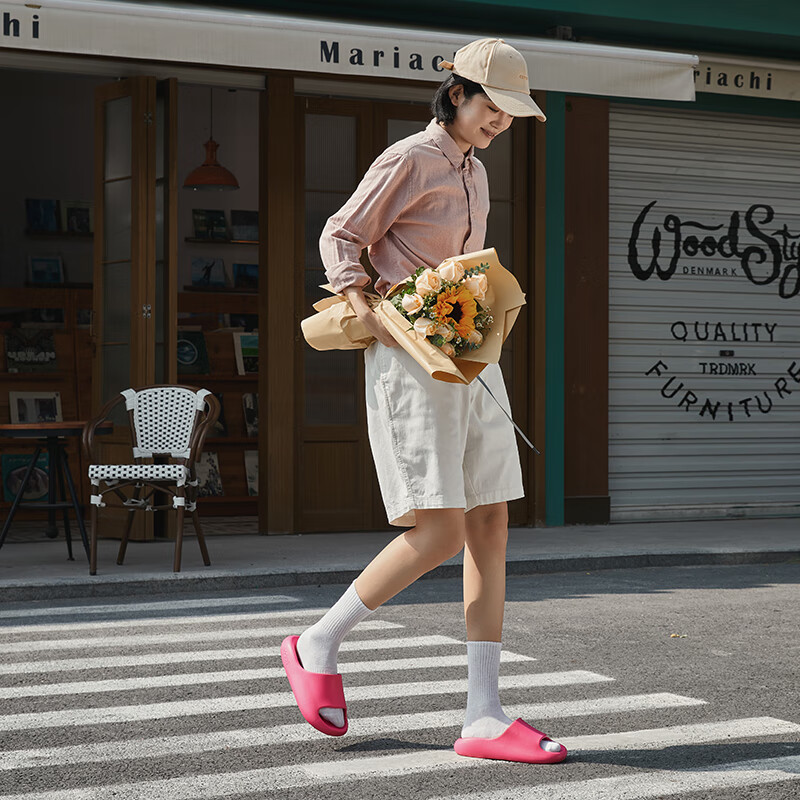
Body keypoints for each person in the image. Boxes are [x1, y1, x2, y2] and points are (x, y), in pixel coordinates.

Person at [282, 38, 566, 765]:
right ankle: (317, 641)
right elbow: (342, 233)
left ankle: (483, 715)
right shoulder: (410, 157)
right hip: (411, 356)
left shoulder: (474, 169)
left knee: (492, 522)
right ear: (458, 94)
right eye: (493, 107)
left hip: (467, 348)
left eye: (511, 113)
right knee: (439, 532)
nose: (501, 121)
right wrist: (366, 309)